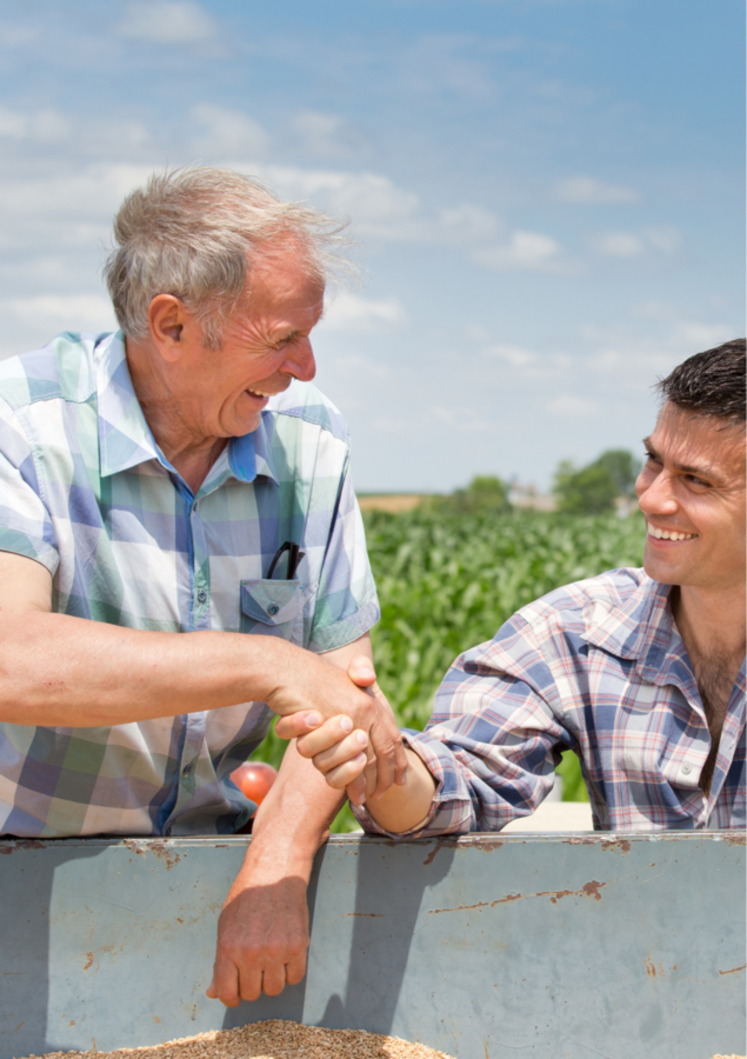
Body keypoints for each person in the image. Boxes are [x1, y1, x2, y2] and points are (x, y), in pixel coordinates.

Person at [0, 167, 406, 1006]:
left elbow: (345, 687)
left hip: (213, 865)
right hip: (20, 867)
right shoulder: (22, 424)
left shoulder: (309, 442)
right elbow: (12, 658)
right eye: (281, 338)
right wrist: (262, 662)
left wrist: (277, 867)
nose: (305, 365)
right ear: (171, 323)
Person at [290, 340, 746, 834]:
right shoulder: (577, 630)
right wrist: (379, 757)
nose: (652, 499)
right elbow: (457, 788)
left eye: (696, 481)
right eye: (654, 462)